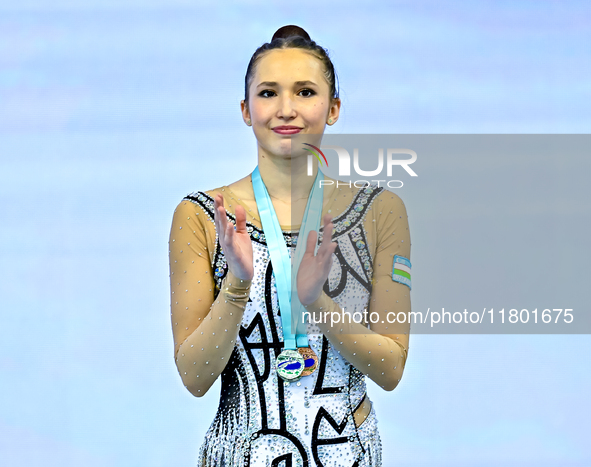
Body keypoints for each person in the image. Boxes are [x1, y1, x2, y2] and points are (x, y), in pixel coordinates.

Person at [168, 25, 412, 467]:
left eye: (304, 92)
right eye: (267, 93)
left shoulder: (381, 210)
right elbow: (195, 376)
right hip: (241, 454)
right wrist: (238, 284)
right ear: (245, 109)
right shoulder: (204, 215)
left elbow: (390, 370)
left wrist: (315, 300)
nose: (285, 110)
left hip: (346, 454)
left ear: (333, 108)